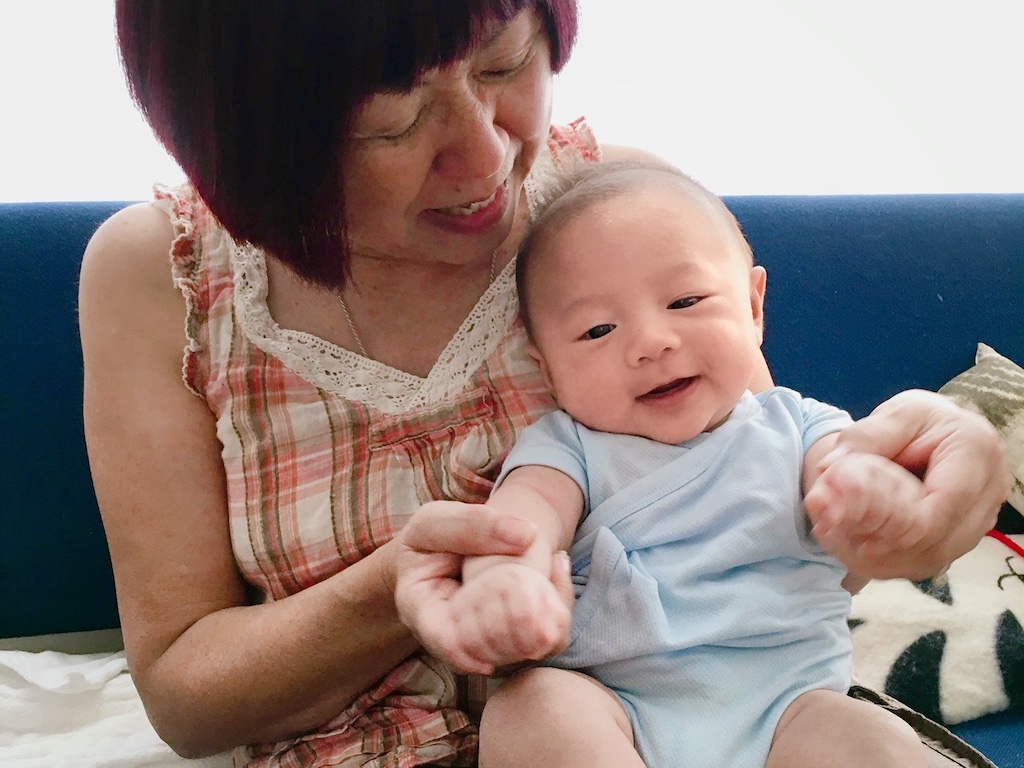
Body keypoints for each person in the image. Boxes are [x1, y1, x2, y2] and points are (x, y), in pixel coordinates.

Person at [78, 2, 1007, 766]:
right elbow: (189, 700)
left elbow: (759, 513)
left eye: (504, 63)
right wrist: (405, 586)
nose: (486, 160)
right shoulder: (161, 279)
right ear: (247, 137)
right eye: (391, 122)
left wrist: (916, 486)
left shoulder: (617, 213)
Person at [396, 161, 932, 768]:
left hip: (789, 708)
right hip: (616, 710)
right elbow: (521, 517)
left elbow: (847, 464)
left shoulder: (799, 425)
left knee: (873, 739)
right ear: (545, 367)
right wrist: (503, 579)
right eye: (597, 330)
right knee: (530, 707)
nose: (650, 341)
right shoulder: (568, 446)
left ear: (754, 308)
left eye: (685, 300)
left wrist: (871, 489)